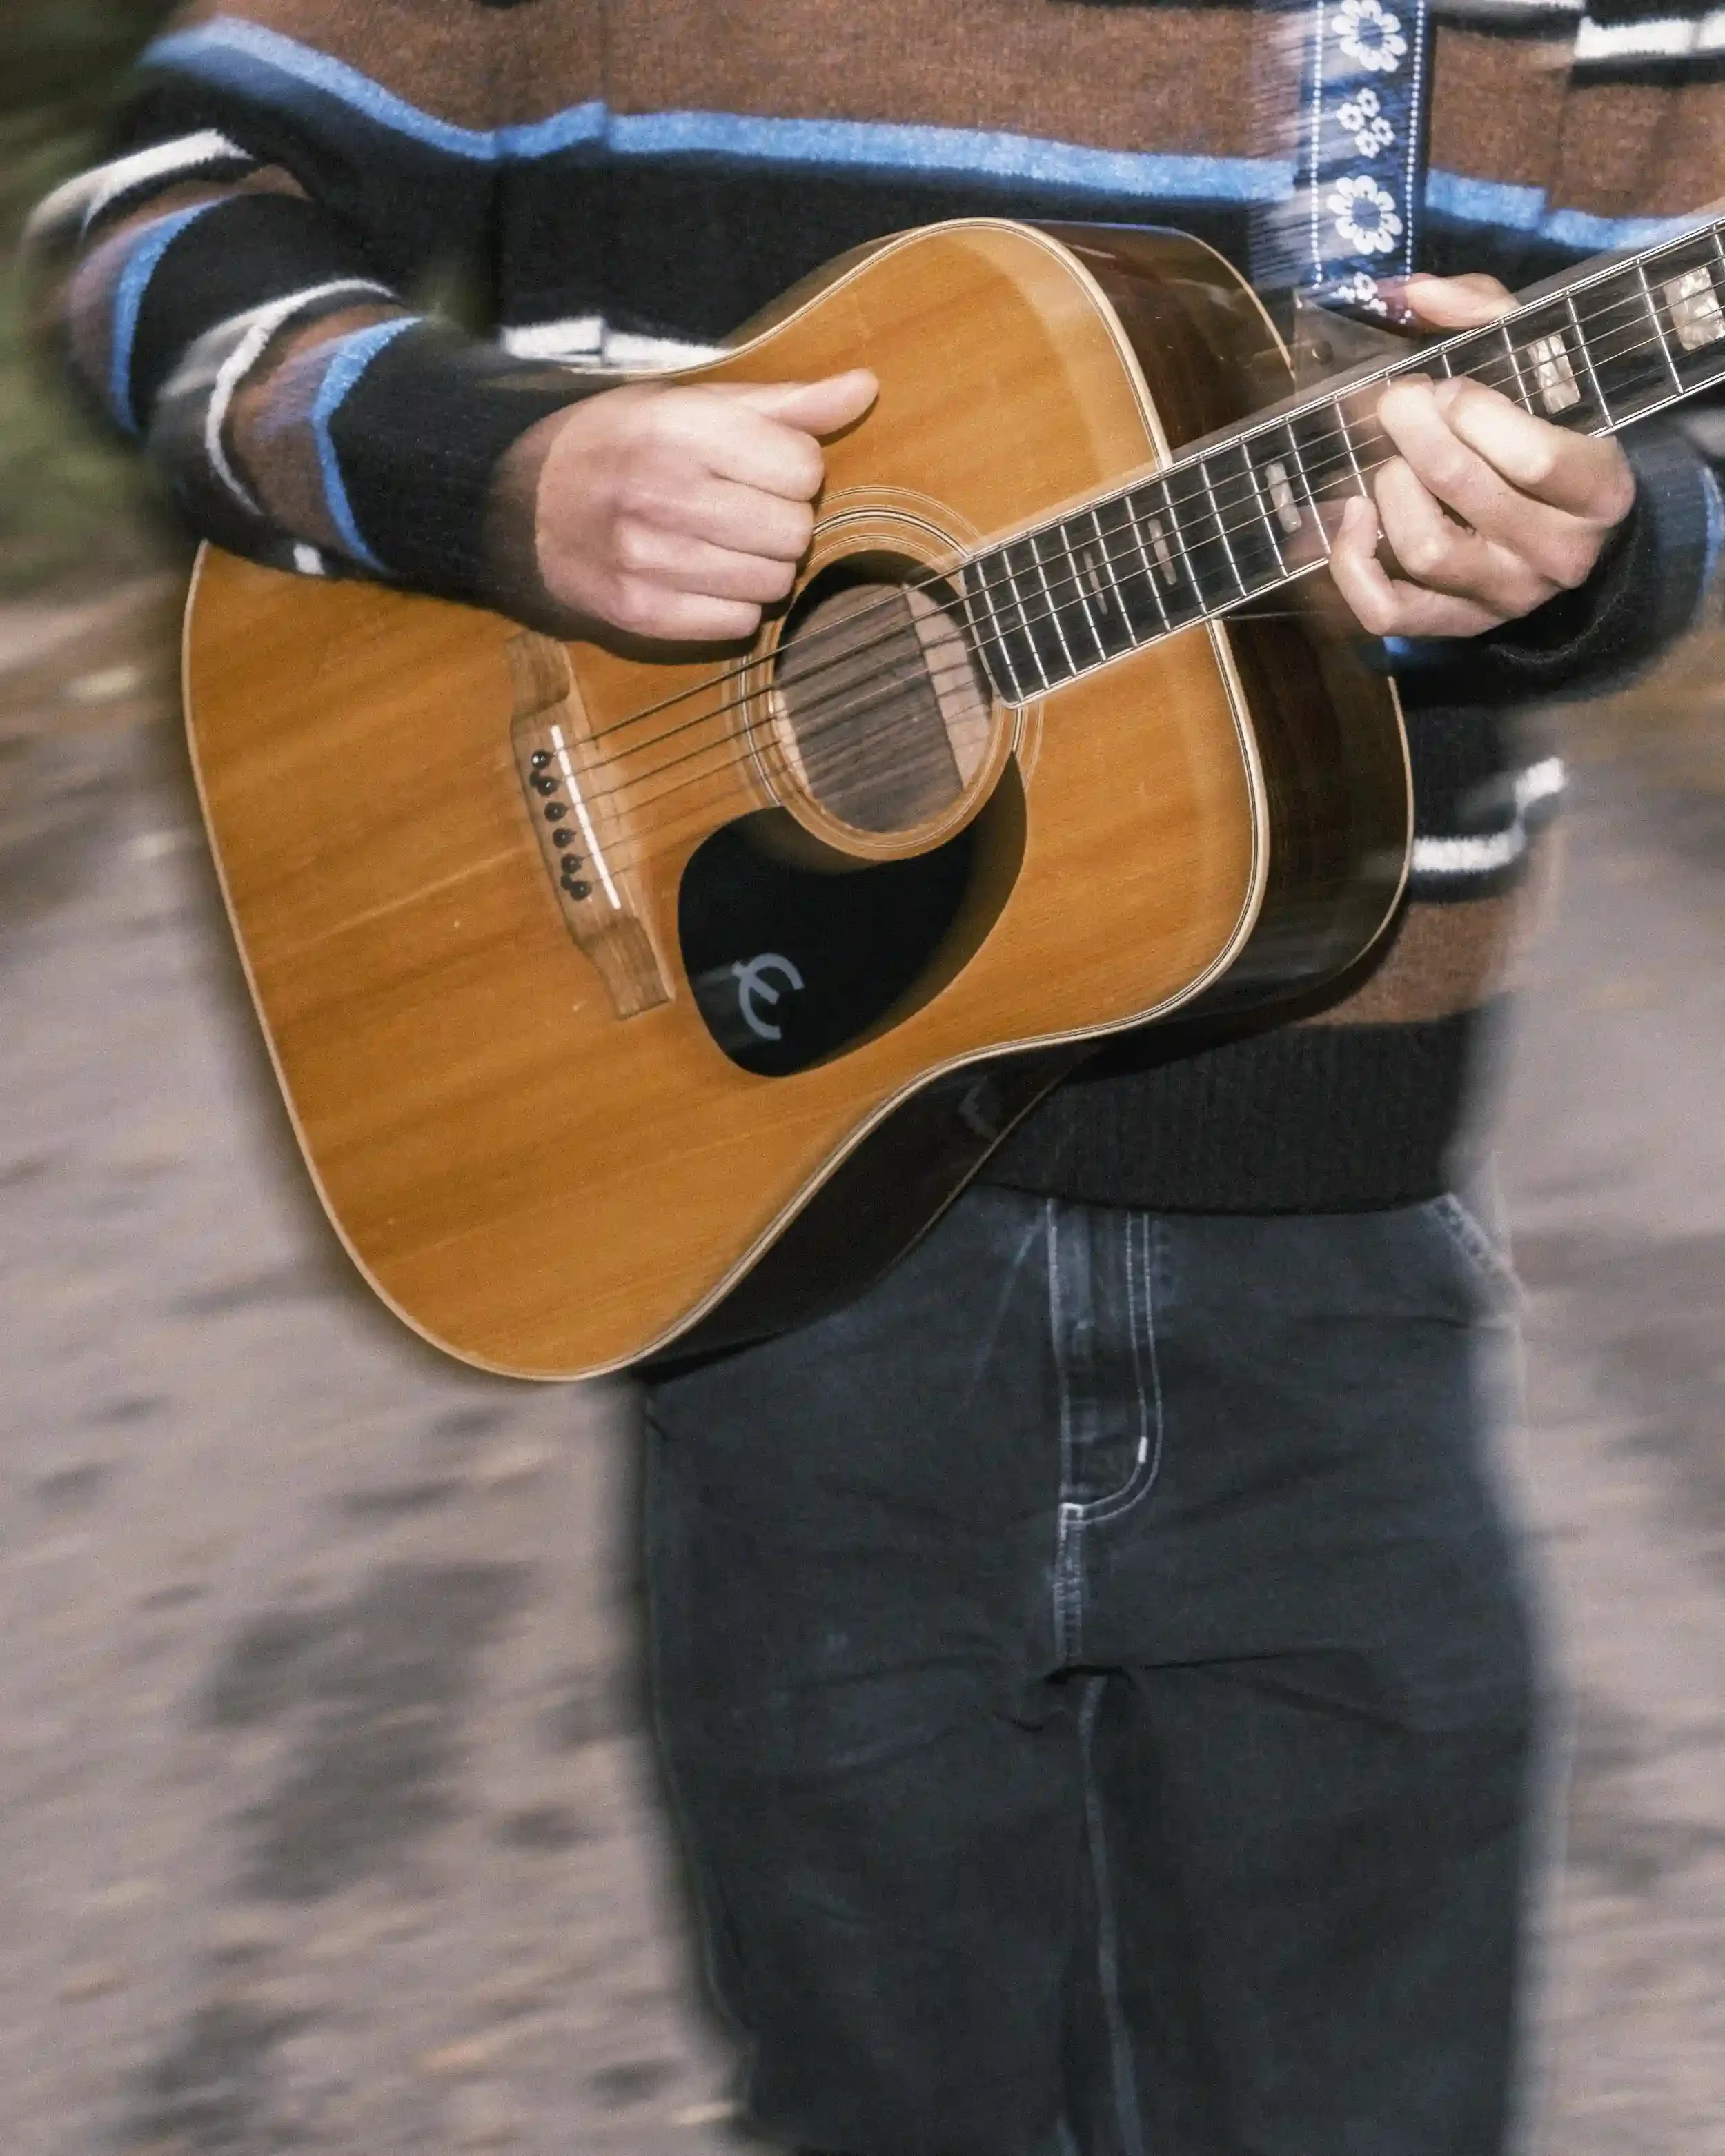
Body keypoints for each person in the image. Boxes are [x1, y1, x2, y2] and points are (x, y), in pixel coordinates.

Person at [28, 5, 1725, 2151]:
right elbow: (135, 224)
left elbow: (1686, 456)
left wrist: (1580, 553)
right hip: (772, 1273)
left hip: (1336, 1284)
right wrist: (491, 473)